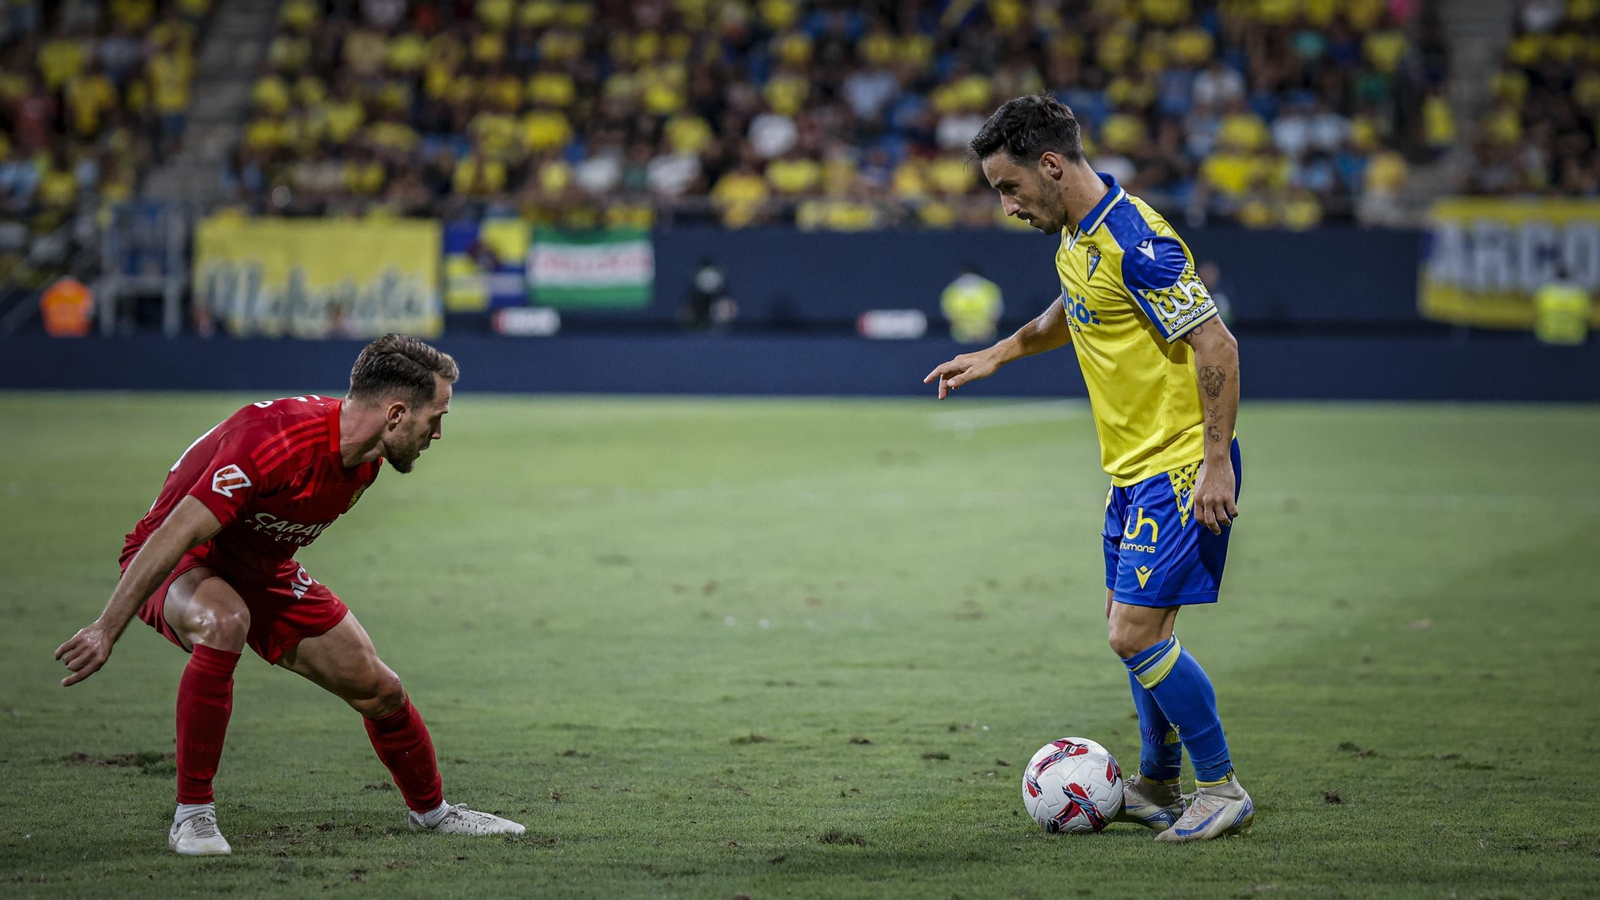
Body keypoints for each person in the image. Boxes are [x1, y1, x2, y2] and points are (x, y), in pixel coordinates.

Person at [54, 334, 525, 856]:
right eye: (435, 418)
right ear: (395, 413)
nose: (437, 434)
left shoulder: (365, 460)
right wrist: (105, 627)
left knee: (380, 689)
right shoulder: (278, 440)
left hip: (263, 569)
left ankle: (433, 814)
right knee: (224, 620)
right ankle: (192, 816)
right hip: (180, 558)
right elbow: (175, 533)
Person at [924, 96, 1251, 842]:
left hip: (1177, 468)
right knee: (1131, 628)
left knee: (1133, 636)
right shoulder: (1080, 239)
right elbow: (1070, 309)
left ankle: (1221, 786)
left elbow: (1219, 348)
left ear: (1051, 165)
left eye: (1009, 188)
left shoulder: (1140, 244)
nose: (1006, 206)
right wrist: (997, 352)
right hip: (1132, 473)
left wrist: (1216, 464)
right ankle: (1158, 784)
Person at [940, 263, 1005, 343]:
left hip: (986, 337)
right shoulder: (951, 291)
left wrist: (985, 332)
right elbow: (949, 317)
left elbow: (996, 314)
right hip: (961, 338)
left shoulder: (990, 289)